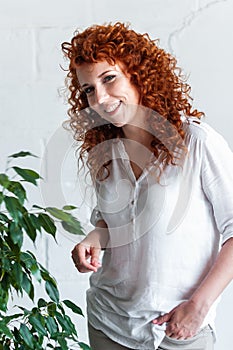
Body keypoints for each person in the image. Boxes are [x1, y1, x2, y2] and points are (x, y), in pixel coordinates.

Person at [61, 22, 233, 350]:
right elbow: (111, 223)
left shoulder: (196, 142)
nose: (100, 98)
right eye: (88, 90)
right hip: (109, 323)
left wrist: (199, 307)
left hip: (180, 327)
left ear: (138, 74)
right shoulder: (107, 152)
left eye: (109, 78)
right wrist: (93, 239)